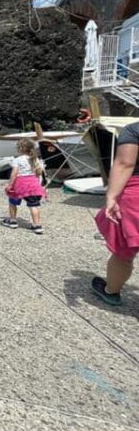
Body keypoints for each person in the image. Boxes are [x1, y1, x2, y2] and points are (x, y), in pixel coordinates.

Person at [92, 121, 139, 305]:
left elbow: (125, 163)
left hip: (135, 195)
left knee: (124, 252)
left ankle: (111, 291)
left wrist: (111, 197)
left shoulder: (134, 129)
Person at [0, 139, 46, 233]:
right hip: (33, 185)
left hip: (20, 184)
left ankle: (13, 221)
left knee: (13, 202)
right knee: (34, 205)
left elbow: (14, 174)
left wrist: (9, 185)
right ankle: (37, 225)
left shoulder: (17, 160)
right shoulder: (35, 159)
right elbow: (39, 173)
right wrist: (39, 183)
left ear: (20, 148)